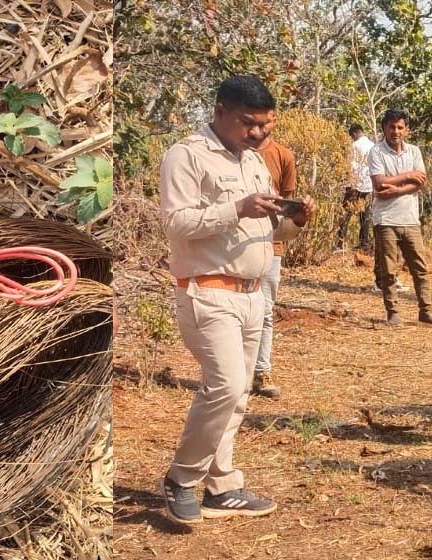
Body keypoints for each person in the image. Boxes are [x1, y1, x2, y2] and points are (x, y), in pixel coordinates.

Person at [158, 75, 315, 525]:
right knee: (224, 385)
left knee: (239, 392)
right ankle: (181, 479)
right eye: (249, 123)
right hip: (208, 291)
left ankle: (222, 486)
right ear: (220, 111)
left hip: (252, 294)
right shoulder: (186, 155)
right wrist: (236, 209)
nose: (258, 133)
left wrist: (296, 220)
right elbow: (175, 223)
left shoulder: (255, 162)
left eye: (266, 125)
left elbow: (269, 230)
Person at [369, 109, 432, 326]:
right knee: (389, 269)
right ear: (384, 128)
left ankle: (425, 311)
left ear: (407, 129)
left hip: (410, 219)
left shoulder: (414, 152)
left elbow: (421, 182)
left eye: (400, 127)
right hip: (386, 219)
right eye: (391, 127)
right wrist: (408, 176)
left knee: (420, 268)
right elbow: (379, 183)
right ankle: (392, 312)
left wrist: (396, 189)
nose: (396, 131)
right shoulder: (376, 152)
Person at [250, 129, 297, 399]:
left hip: (270, 243)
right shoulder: (231, 154)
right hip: (233, 245)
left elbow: (285, 207)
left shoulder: (283, 156)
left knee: (265, 310)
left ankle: (261, 372)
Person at [337, 124, 375, 252]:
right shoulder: (372, 146)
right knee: (365, 214)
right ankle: (364, 243)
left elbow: (351, 165)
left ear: (354, 134)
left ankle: (340, 243)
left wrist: (347, 182)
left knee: (345, 214)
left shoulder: (354, 146)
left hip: (355, 184)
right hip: (368, 184)